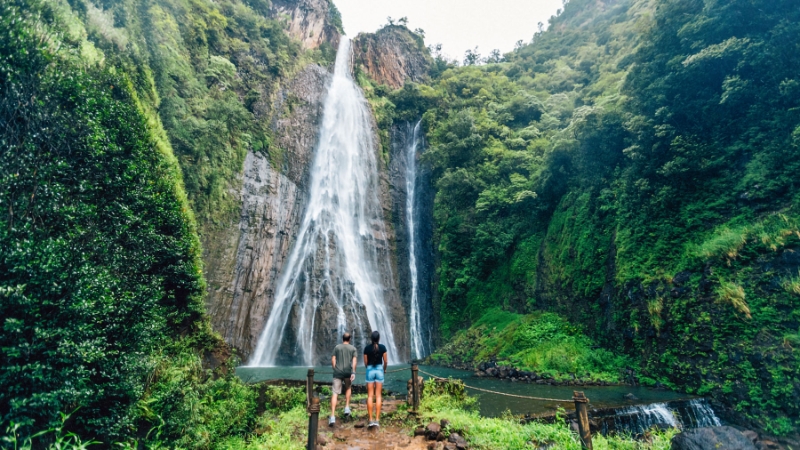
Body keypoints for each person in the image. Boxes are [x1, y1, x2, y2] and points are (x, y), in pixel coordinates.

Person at [329, 332, 357, 426]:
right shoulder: (353, 348)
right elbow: (354, 361)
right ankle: (346, 407)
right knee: (348, 388)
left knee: (335, 393)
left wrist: (335, 368)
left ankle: (332, 416)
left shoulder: (337, 347)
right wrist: (353, 372)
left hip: (337, 372)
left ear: (342, 339)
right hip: (348, 372)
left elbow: (333, 359)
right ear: (349, 339)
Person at [363, 330, 388, 428]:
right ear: (379, 338)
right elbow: (385, 361)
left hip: (370, 370)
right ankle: (377, 420)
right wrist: (384, 369)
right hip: (379, 370)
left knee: (370, 396)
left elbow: (365, 362)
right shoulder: (383, 348)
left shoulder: (366, 348)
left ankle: (370, 419)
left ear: (371, 338)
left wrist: (368, 368)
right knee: (378, 396)